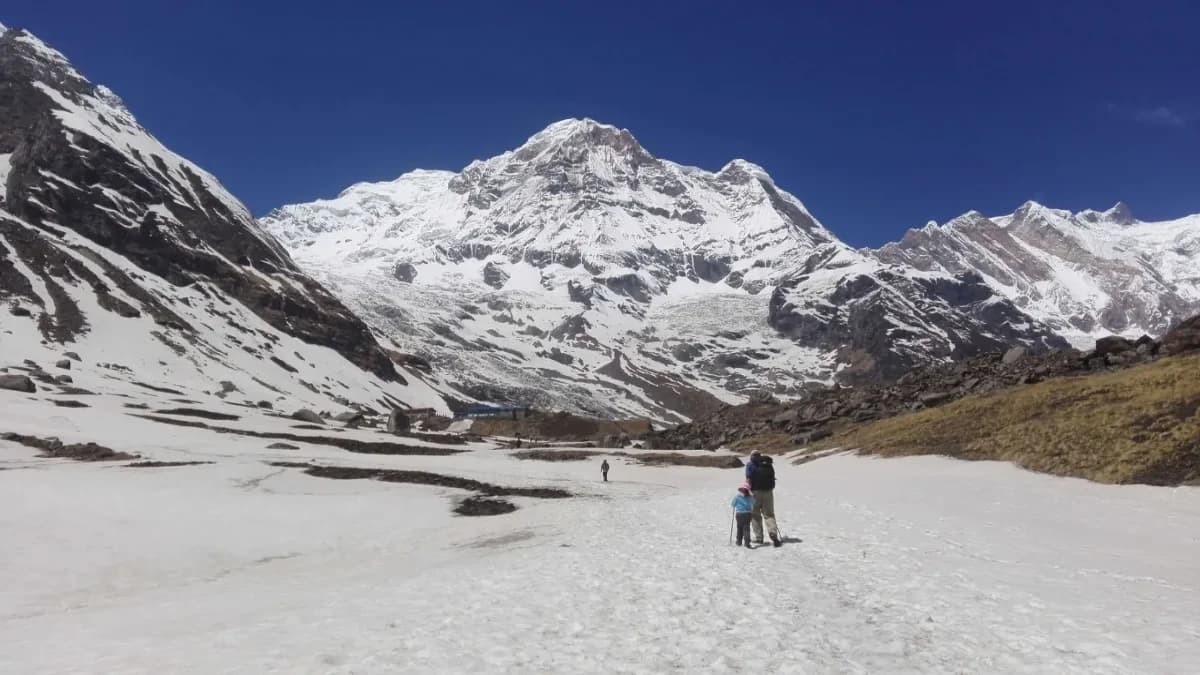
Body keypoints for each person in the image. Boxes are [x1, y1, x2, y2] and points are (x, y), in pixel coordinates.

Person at [745, 451, 781, 547]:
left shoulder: (750, 465)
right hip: (768, 492)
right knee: (769, 514)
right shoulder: (768, 465)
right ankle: (773, 533)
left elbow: (748, 479)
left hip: (755, 492)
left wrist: (745, 491)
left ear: (751, 456)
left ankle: (759, 537)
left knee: (755, 515)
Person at [731, 483, 755, 548]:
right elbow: (754, 502)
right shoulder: (750, 497)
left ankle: (739, 541)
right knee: (746, 528)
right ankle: (747, 543)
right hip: (748, 514)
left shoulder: (737, 497)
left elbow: (733, 504)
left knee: (739, 528)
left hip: (739, 514)